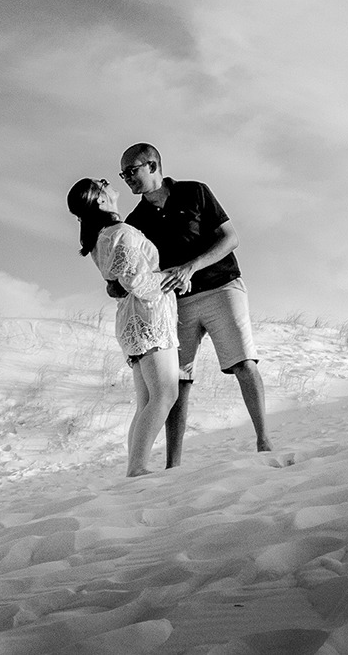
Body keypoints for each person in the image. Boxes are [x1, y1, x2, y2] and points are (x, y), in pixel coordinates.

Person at [116, 142, 272, 464]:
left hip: (221, 286)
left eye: (132, 171)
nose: (127, 179)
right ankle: (174, 465)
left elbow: (230, 238)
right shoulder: (136, 220)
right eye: (123, 174)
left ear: (153, 166)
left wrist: (191, 266)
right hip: (176, 304)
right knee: (178, 382)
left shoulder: (195, 192)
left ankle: (264, 441)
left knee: (244, 362)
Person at [67, 176, 177, 476]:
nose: (109, 182)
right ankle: (137, 468)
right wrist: (172, 278)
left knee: (147, 401)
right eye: (103, 183)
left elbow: (121, 282)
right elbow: (134, 281)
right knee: (165, 394)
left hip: (133, 318)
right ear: (101, 200)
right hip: (148, 315)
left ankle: (136, 466)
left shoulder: (100, 239)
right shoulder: (122, 233)